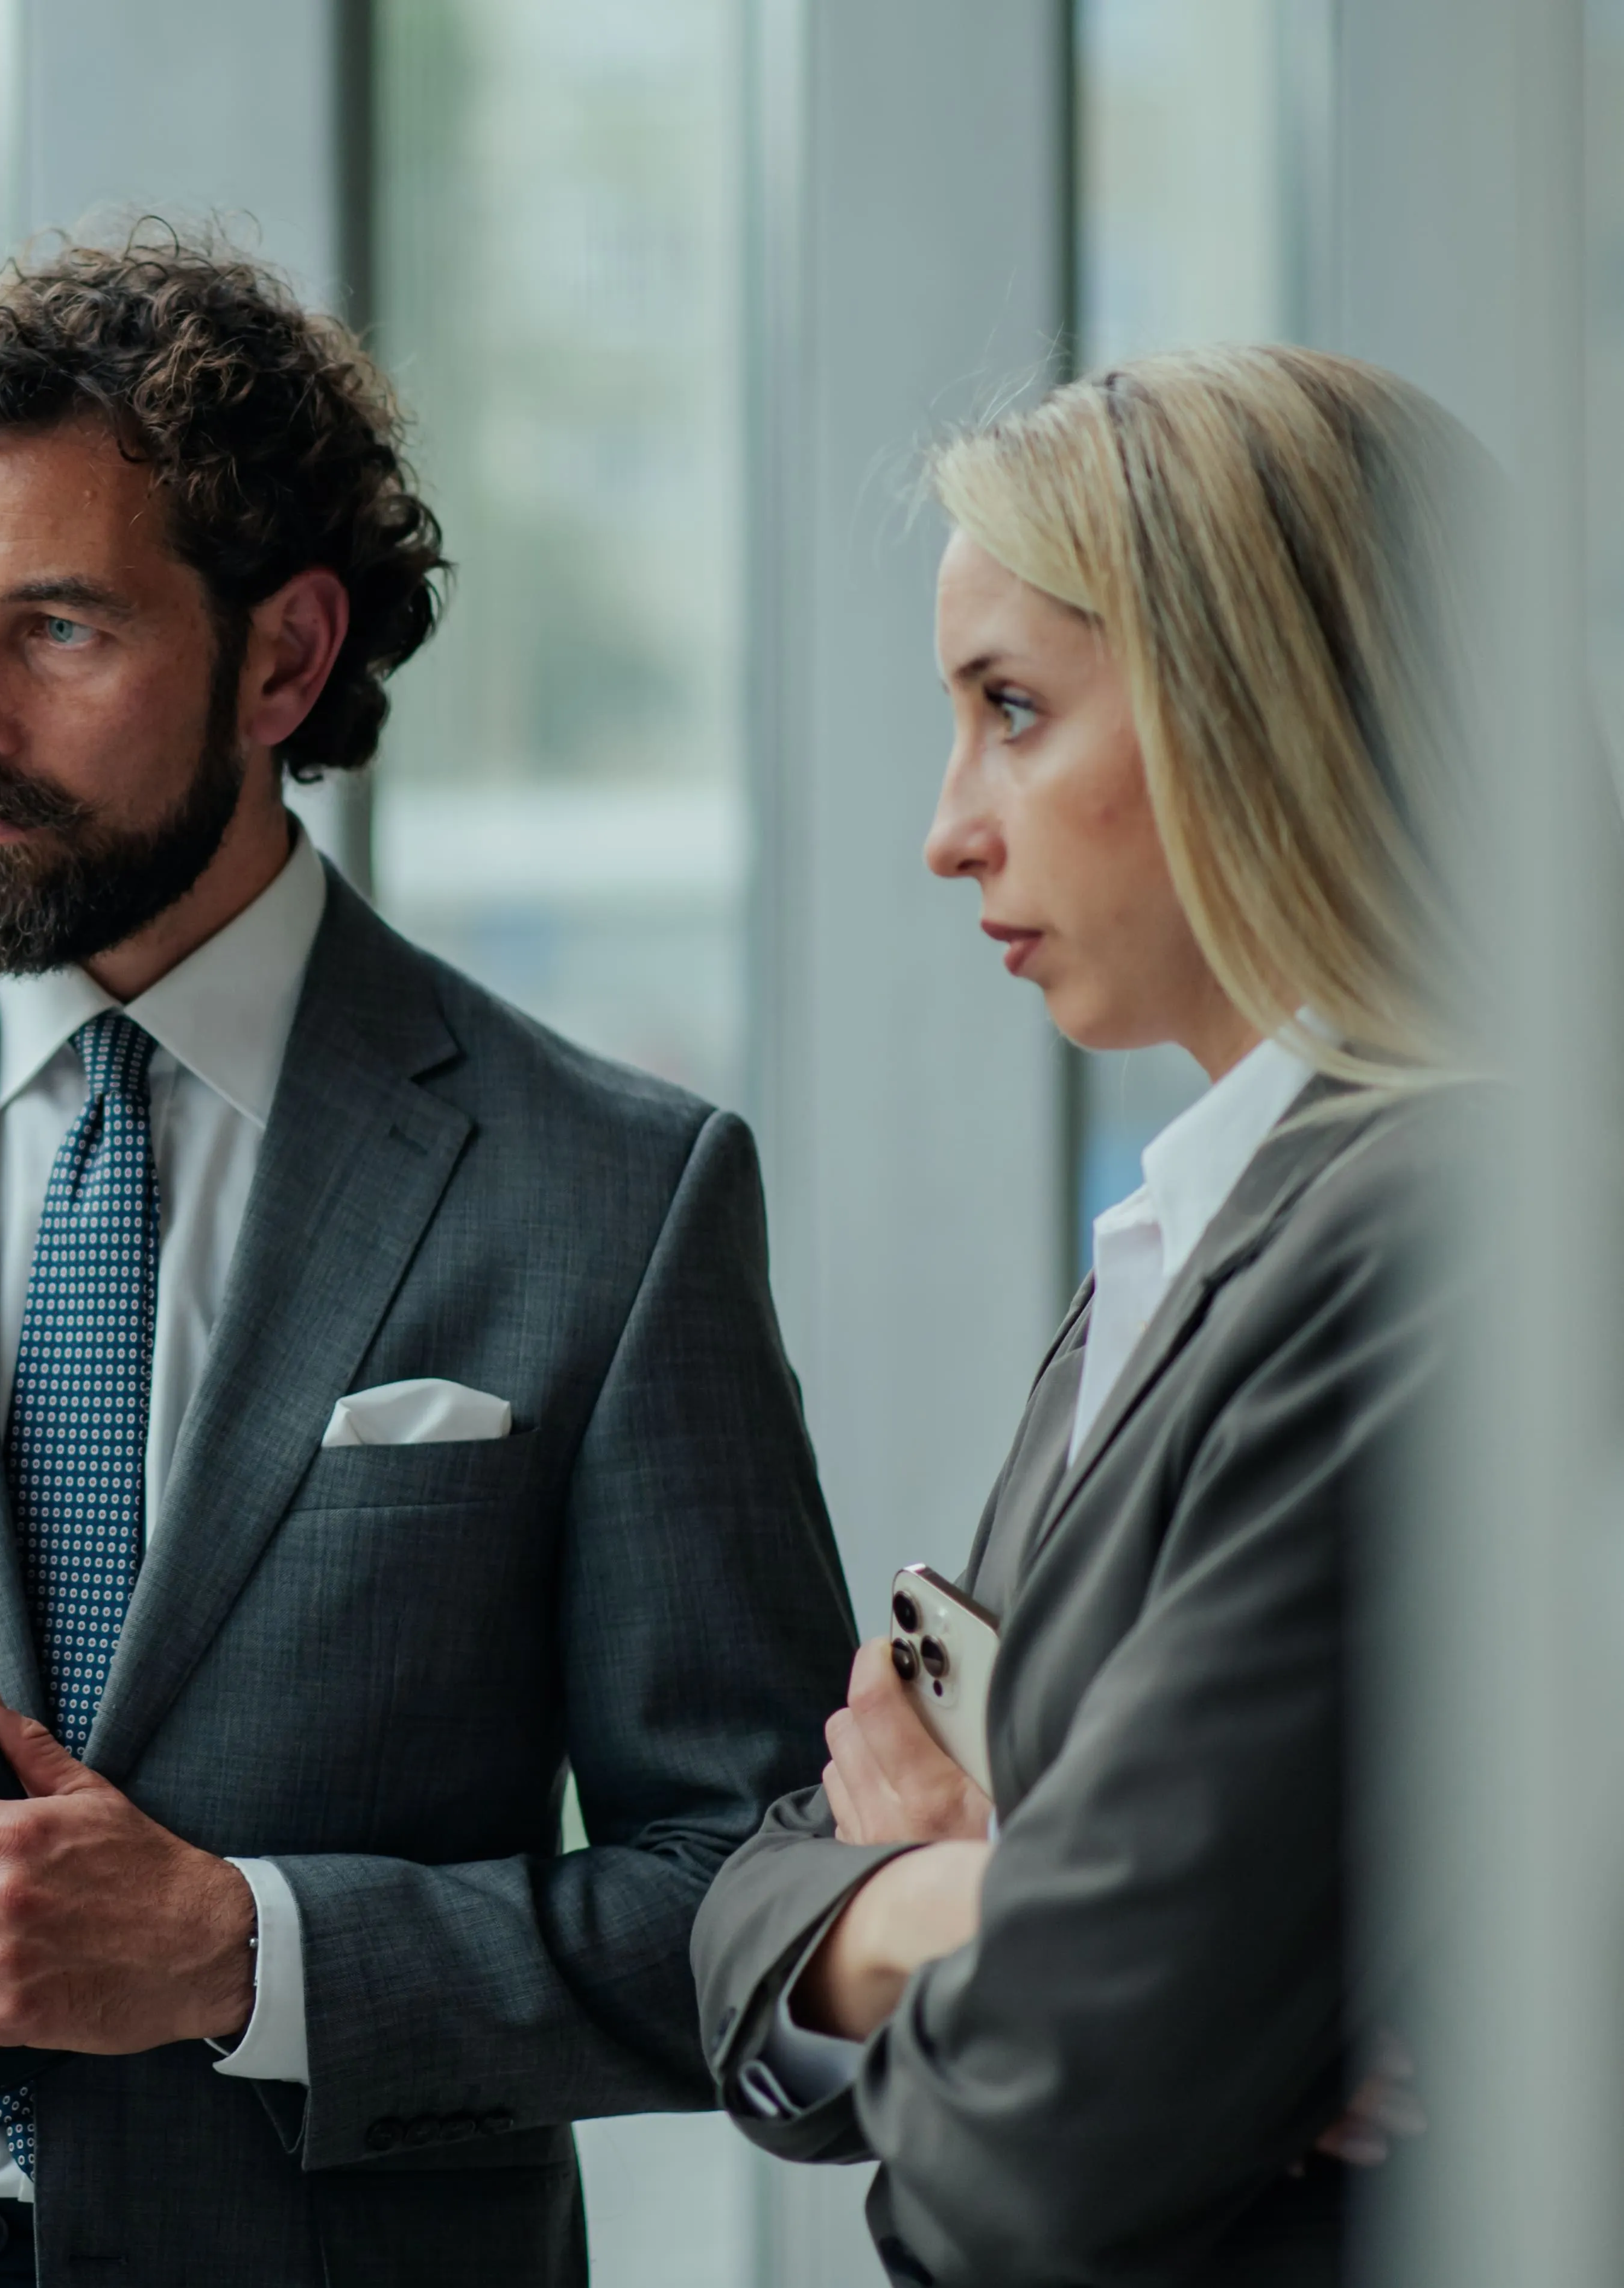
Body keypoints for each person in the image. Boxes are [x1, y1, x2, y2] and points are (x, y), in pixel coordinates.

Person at [0, 229, 856, 2287]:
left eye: (61, 630)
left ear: (283, 661)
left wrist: (242, 1956)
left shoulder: (608, 1192)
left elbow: (751, 1903)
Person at [690, 344, 1483, 2286]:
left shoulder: (1426, 1237)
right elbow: (731, 1944)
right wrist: (994, 1903)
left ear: (1261, 710)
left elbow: (1028, 2168)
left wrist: (940, 1915)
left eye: (1013, 711)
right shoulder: (1190, 1238)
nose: (948, 829)